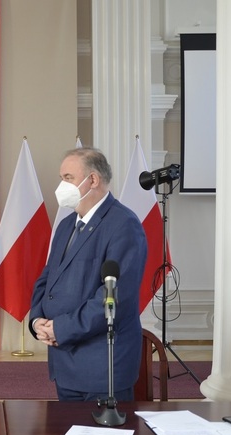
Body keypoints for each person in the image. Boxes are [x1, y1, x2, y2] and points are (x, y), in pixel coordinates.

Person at [29, 147, 147, 402]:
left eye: (68, 178)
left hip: (102, 369)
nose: (61, 185)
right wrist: (37, 320)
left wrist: (60, 328)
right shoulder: (65, 225)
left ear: (92, 180)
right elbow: (47, 279)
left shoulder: (123, 224)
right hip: (64, 364)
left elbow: (114, 298)